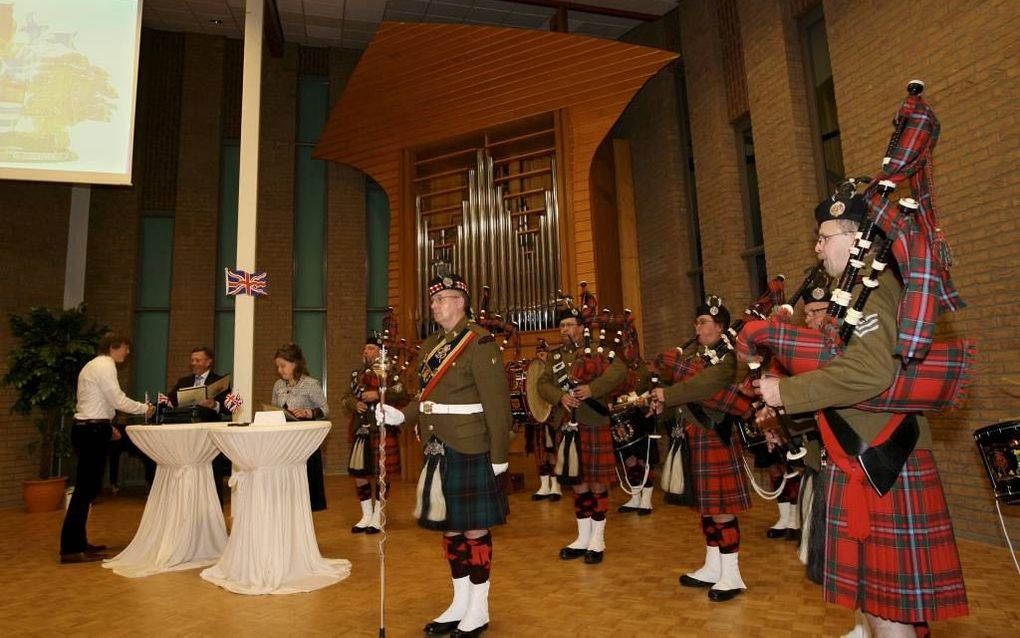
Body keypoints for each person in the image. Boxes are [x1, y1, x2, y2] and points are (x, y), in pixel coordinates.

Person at [758, 192, 968, 636]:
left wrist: (786, 390)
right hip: (862, 459)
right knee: (878, 608)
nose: (817, 248)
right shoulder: (851, 296)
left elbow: (870, 372)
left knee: (889, 613)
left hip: (880, 462)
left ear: (855, 240)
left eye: (823, 237)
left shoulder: (871, 292)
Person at [382, 273, 510, 638]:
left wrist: (499, 455)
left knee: (473, 528)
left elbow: (497, 406)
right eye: (434, 300)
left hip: (471, 446)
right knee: (450, 528)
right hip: (438, 447)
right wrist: (401, 416)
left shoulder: (479, 342)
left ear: (460, 302)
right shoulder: (430, 346)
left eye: (442, 300)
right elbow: (425, 398)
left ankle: (479, 608)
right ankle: (459, 601)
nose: (435, 306)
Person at [649, 297, 751, 602]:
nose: (699, 327)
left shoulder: (726, 359)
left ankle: (732, 575)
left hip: (714, 437)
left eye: (705, 322)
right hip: (694, 436)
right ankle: (712, 566)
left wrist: (666, 392)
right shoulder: (699, 357)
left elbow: (701, 386)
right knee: (705, 506)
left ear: (720, 328)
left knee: (721, 510)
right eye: (697, 322)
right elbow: (683, 378)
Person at [538, 305, 627, 565]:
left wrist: (593, 388)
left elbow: (620, 371)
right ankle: (582, 537)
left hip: (593, 421)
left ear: (580, 327)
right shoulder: (555, 358)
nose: (565, 330)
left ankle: (598, 539)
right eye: (562, 326)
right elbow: (543, 384)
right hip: (567, 424)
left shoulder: (599, 350)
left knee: (597, 481)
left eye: (569, 325)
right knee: (578, 482)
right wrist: (560, 396)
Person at [60, 332, 154, 564]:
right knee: (85, 490)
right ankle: (71, 548)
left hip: (91, 428)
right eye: (126, 347)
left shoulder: (94, 365)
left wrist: (108, 424)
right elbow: (117, 399)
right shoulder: (105, 365)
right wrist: (145, 408)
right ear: (115, 346)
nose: (128, 352)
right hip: (91, 431)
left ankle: (79, 543)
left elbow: (95, 401)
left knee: (88, 488)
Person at [340, 336, 407, 534]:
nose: (366, 352)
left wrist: (378, 394)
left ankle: (379, 516)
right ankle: (366, 515)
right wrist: (355, 404)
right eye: (365, 349)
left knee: (381, 474)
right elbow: (345, 398)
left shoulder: (390, 373)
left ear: (380, 352)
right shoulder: (356, 375)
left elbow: (402, 392)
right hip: (361, 429)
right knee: (359, 474)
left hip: (381, 428)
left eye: (370, 348)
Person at [168, 346, 232, 504]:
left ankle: (215, 512)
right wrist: (153, 407)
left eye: (198, 360)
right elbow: (169, 402)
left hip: (210, 437)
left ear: (208, 362)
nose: (194, 363)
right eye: (192, 360)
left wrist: (215, 405)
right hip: (187, 438)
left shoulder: (220, 382)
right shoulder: (183, 382)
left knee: (212, 475)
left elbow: (233, 406)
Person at [272, 343, 329, 512]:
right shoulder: (278, 386)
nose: (280, 370)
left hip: (305, 443)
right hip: (284, 441)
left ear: (295, 363)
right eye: (277, 367)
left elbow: (326, 410)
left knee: (307, 486)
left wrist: (307, 412)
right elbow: (275, 408)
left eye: (283, 366)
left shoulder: (311, 384)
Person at [528, 340, 562, 502]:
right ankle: (544, 485)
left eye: (544, 352)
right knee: (540, 451)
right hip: (538, 417)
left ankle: (556, 485)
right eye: (538, 352)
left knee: (553, 450)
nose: (541, 355)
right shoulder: (533, 370)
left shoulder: (556, 369)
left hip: (554, 416)